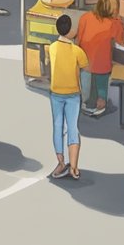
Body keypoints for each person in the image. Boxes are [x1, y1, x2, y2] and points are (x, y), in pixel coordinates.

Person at [47, 15, 87, 179]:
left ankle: (61, 162)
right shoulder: (77, 51)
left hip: (56, 92)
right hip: (73, 94)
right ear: (71, 30)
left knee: (57, 126)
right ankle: (74, 167)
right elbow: (84, 66)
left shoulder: (52, 48)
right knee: (72, 128)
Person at [77, 0, 124, 117]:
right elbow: (121, 41)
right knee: (101, 88)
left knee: (86, 86)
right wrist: (120, 22)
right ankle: (101, 106)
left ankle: (86, 104)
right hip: (102, 65)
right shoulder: (113, 24)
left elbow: (79, 39)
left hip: (84, 63)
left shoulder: (85, 17)